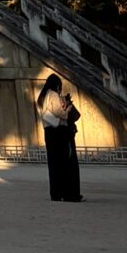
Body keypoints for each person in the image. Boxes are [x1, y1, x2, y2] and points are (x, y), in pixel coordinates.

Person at [37, 74, 83, 202]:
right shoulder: (53, 95)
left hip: (49, 132)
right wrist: (67, 108)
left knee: (54, 163)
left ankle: (56, 193)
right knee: (64, 161)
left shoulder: (43, 96)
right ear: (57, 85)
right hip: (58, 132)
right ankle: (68, 193)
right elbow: (59, 113)